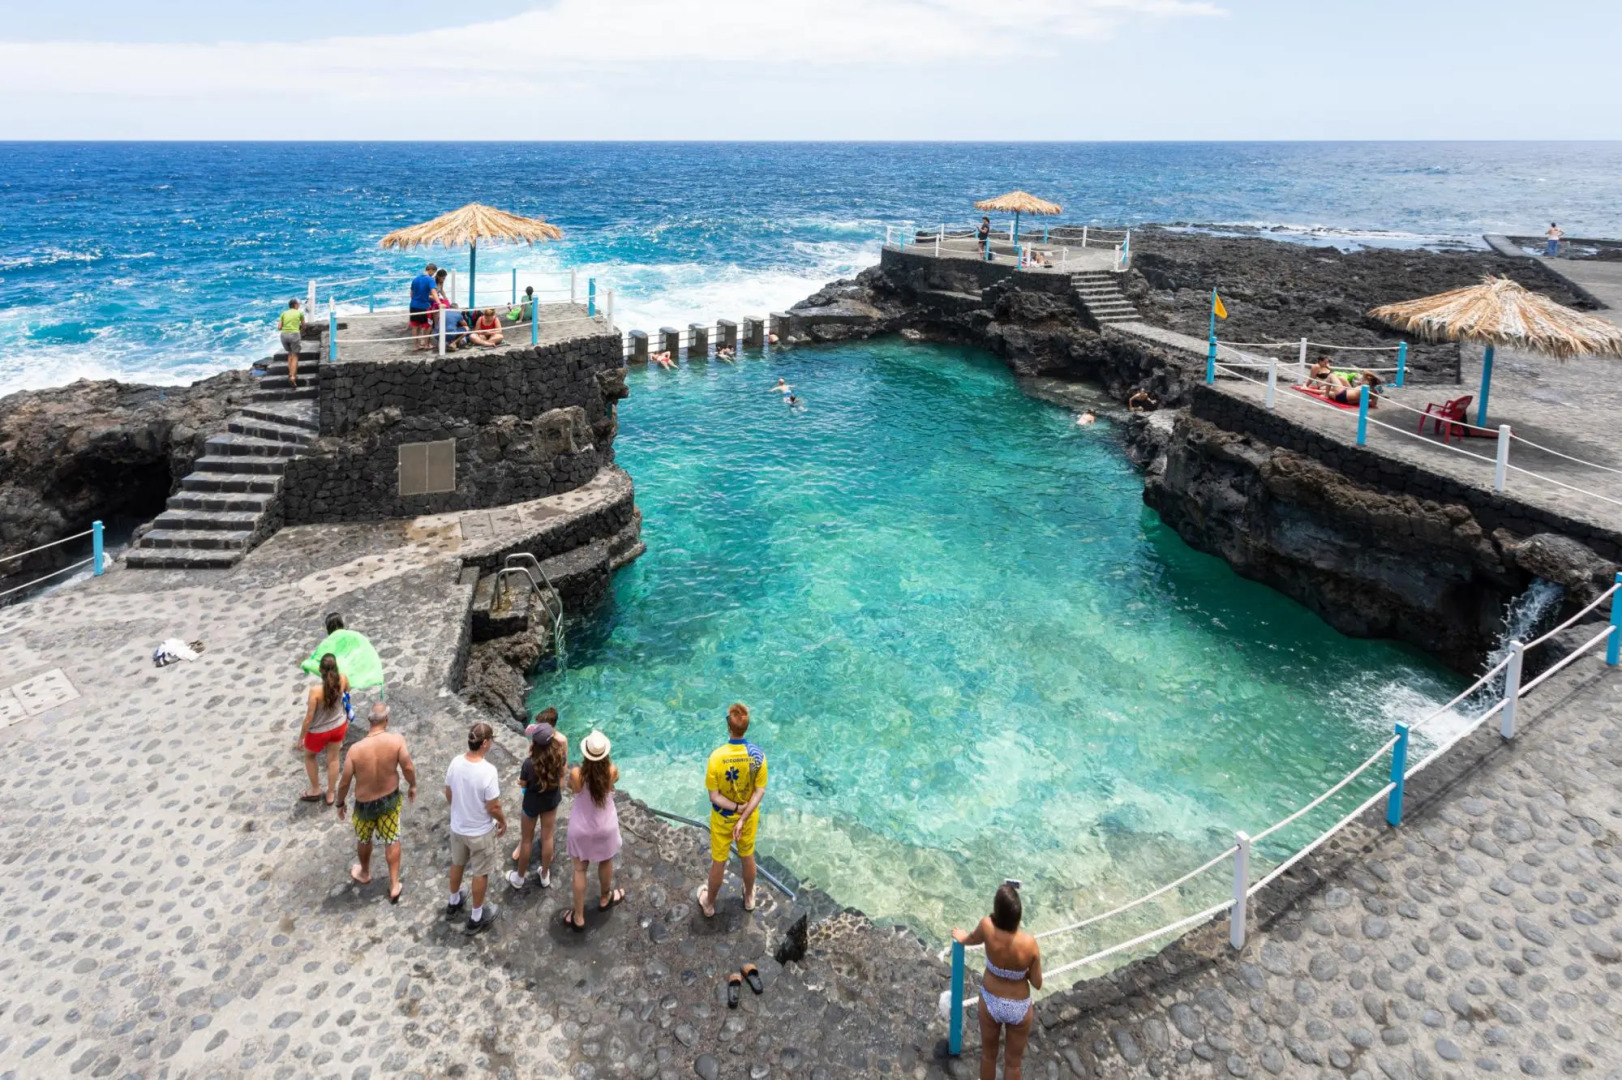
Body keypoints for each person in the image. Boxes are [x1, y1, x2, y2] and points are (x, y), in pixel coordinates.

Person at [952, 883, 1043, 1080]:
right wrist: (1025, 974)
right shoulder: (1029, 943)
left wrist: (960, 937)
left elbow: (970, 939)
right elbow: (1037, 983)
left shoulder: (986, 926)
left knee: (988, 1056)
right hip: (1018, 1006)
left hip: (991, 1001)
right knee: (1013, 1064)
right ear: (1018, 916)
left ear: (997, 911)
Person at [336, 703, 417, 903]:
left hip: (364, 804)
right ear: (386, 720)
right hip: (389, 800)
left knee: (364, 839)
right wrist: (412, 785)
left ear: (369, 722)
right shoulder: (396, 741)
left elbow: (345, 781)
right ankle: (394, 883)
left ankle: (364, 872)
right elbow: (407, 767)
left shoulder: (355, 750)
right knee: (392, 839)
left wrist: (340, 803)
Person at [696, 703, 768, 918]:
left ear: (728, 725)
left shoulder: (716, 758)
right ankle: (748, 899)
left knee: (719, 861)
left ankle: (709, 904)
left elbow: (714, 796)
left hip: (722, 818)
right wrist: (743, 814)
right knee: (747, 856)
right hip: (748, 818)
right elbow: (759, 791)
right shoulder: (757, 756)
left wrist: (736, 808)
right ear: (746, 727)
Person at [444, 721, 506, 934]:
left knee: (457, 863)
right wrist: (503, 820)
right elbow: (493, 806)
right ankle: (476, 917)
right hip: (480, 831)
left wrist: (459, 810)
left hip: (458, 827)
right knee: (480, 872)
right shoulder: (488, 771)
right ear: (485, 743)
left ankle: (453, 902)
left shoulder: (455, 762)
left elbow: (449, 793)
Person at [561, 731, 624, 930]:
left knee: (580, 869)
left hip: (581, 828)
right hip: (606, 826)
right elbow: (613, 782)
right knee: (606, 861)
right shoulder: (611, 771)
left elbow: (573, 789)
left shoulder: (576, 774)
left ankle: (578, 917)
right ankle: (605, 898)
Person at [507, 709, 567, 890]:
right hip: (550, 801)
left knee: (527, 839)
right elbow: (561, 774)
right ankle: (544, 875)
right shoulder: (560, 756)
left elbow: (524, 783)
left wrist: (520, 781)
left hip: (532, 803)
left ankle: (519, 878)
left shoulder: (528, 763)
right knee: (547, 836)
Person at [296, 653, 350, 805]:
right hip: (339, 726)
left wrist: (301, 738)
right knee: (333, 759)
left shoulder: (315, 691)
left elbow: (308, 718)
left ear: (320, 670)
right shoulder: (343, 678)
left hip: (318, 732)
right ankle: (331, 793)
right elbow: (348, 691)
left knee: (309, 756)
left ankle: (315, 789)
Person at [409, 263, 438, 351]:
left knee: (415, 326)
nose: (433, 274)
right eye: (433, 272)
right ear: (431, 270)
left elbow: (411, 294)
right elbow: (433, 292)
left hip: (413, 305)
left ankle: (415, 345)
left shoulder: (415, 279)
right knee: (428, 326)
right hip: (424, 306)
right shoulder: (430, 280)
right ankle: (426, 344)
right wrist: (439, 302)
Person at [278, 300, 305, 386]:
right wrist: (299, 329)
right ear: (295, 305)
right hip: (294, 335)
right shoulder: (300, 313)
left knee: (289, 354)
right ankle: (293, 376)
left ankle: (290, 373)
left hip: (284, 335)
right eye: (298, 304)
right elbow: (304, 326)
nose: (299, 305)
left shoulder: (283, 313)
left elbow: (279, 327)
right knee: (295, 355)